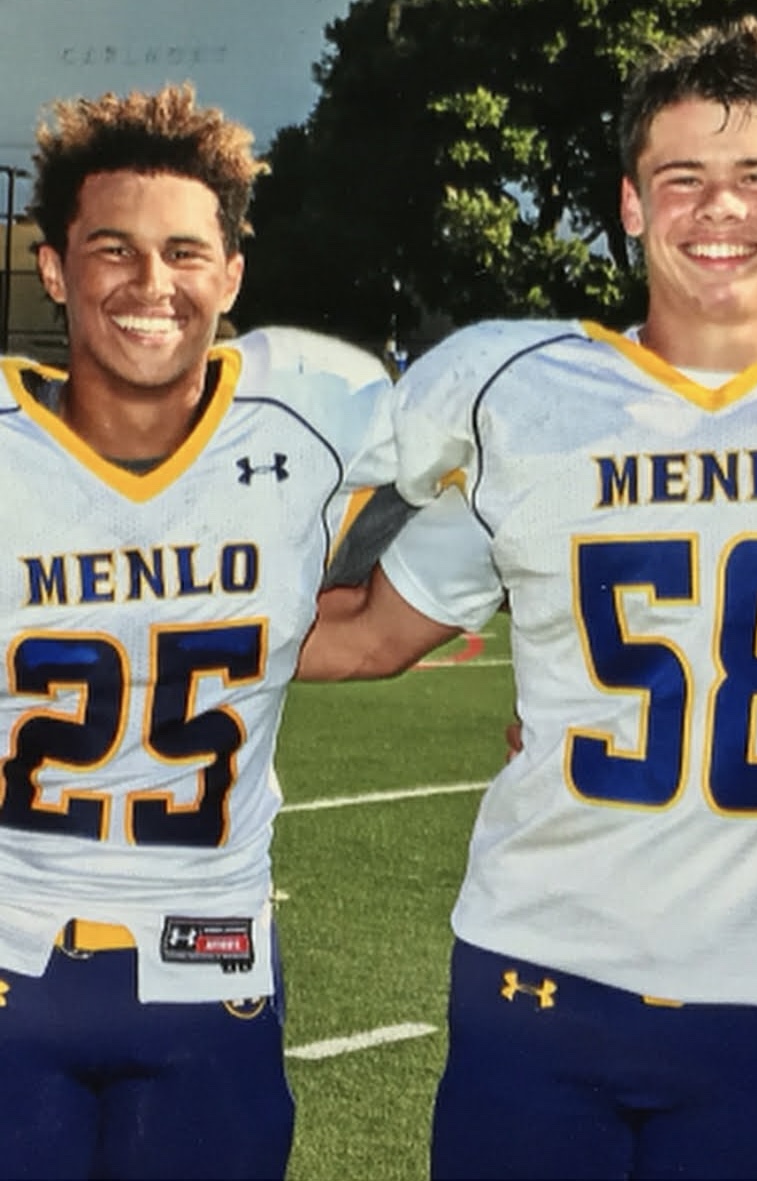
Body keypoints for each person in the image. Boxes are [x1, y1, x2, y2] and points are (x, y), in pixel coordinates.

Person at [297, 15, 757, 1180]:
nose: (718, 209)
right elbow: (355, 605)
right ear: (633, 204)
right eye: (680, 177)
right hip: (531, 964)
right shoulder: (517, 386)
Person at [0, 83, 471, 1179]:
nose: (151, 284)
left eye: (183, 251)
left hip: (210, 976)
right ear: (57, 269)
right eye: (111, 249)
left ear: (233, 274)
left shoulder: (316, 404)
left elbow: (505, 461)